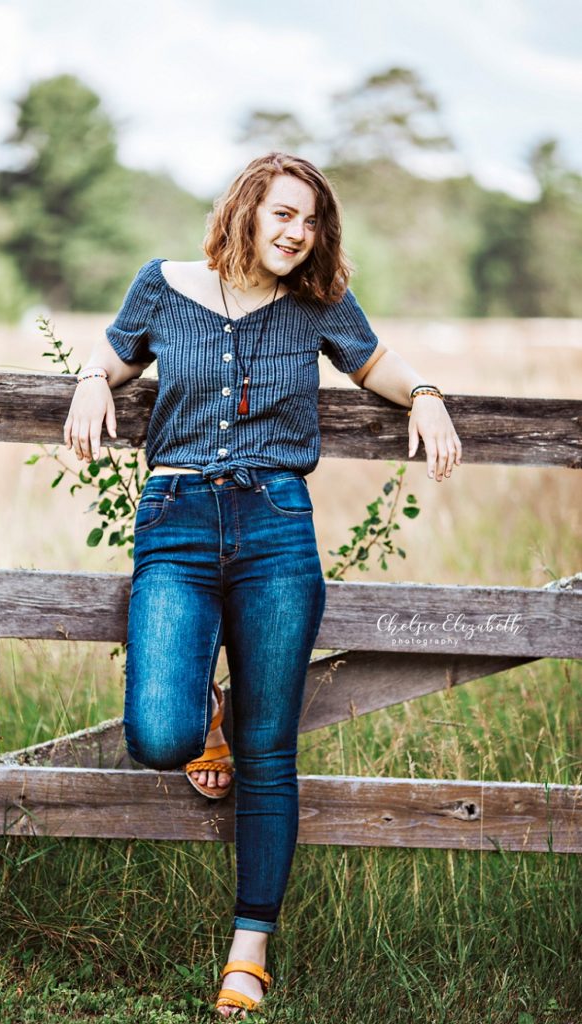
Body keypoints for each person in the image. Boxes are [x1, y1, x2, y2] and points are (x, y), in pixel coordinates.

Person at [63, 152, 462, 1018]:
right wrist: (93, 378)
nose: (296, 233)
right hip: (172, 520)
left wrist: (424, 392)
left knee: (270, 750)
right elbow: (108, 357)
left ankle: (249, 949)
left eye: (311, 221)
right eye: (283, 214)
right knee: (159, 733)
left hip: (276, 528)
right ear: (245, 210)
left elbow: (375, 362)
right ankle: (206, 717)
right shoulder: (163, 286)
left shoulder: (316, 305)